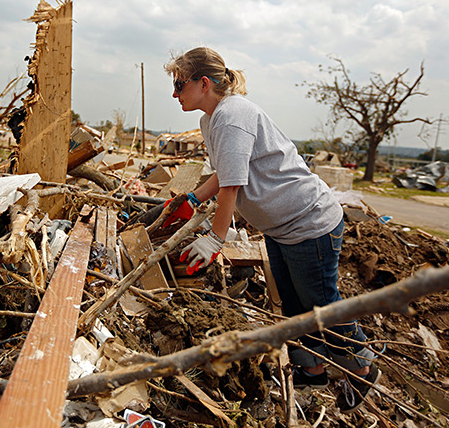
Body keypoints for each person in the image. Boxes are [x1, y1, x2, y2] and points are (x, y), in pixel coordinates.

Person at [163, 46, 380, 413]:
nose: (174, 93)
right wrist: (194, 199)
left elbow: (233, 184)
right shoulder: (212, 119)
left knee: (321, 301)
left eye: (179, 84)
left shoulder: (232, 115)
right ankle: (313, 368)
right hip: (282, 228)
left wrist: (215, 238)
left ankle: (361, 366)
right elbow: (224, 172)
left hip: (309, 222)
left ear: (203, 82)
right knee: (294, 304)